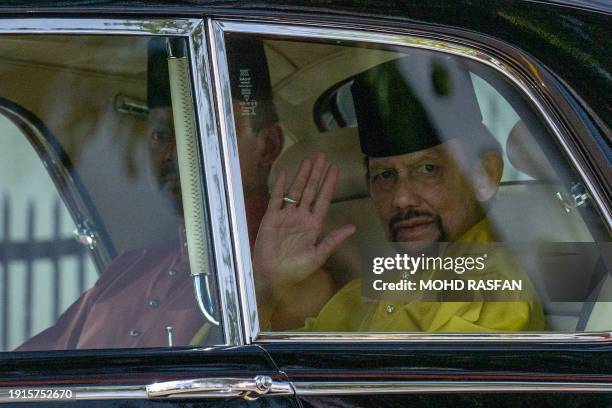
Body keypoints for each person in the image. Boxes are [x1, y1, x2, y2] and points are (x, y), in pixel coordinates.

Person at [16, 37, 334, 350]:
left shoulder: (296, 271)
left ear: (269, 144)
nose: (171, 153)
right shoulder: (127, 270)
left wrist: (266, 287)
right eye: (161, 135)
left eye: (197, 133)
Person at [253, 57, 545, 332]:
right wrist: (272, 283)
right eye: (385, 176)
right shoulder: (381, 281)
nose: (401, 198)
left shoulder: (493, 289)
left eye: (428, 169)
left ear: (484, 176)